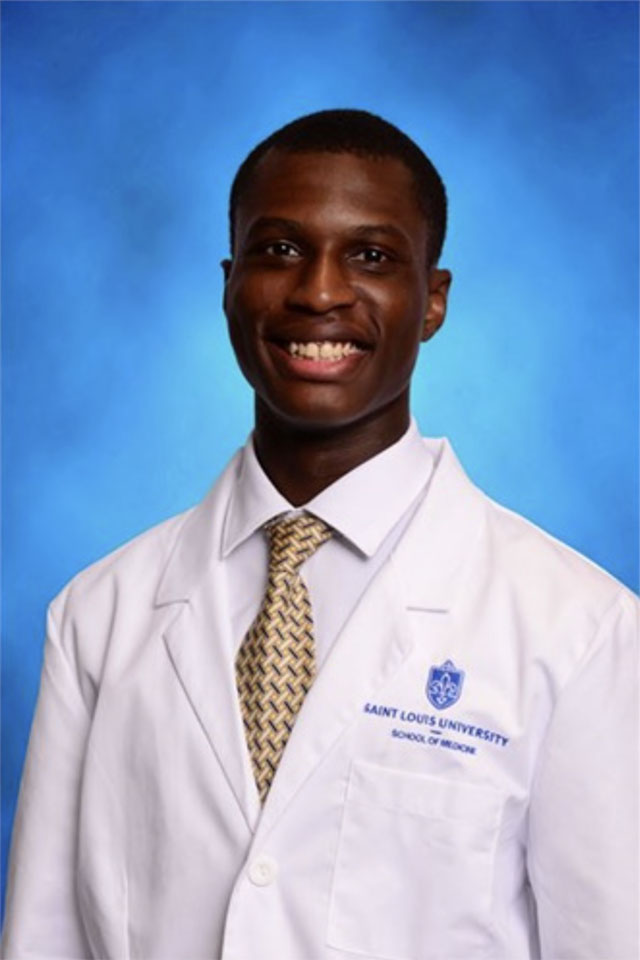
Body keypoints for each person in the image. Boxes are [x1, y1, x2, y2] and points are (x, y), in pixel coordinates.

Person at [2, 109, 637, 960]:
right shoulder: (98, 614)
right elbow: (44, 941)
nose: (319, 292)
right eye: (279, 250)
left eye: (371, 257)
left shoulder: (579, 628)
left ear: (433, 301)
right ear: (229, 282)